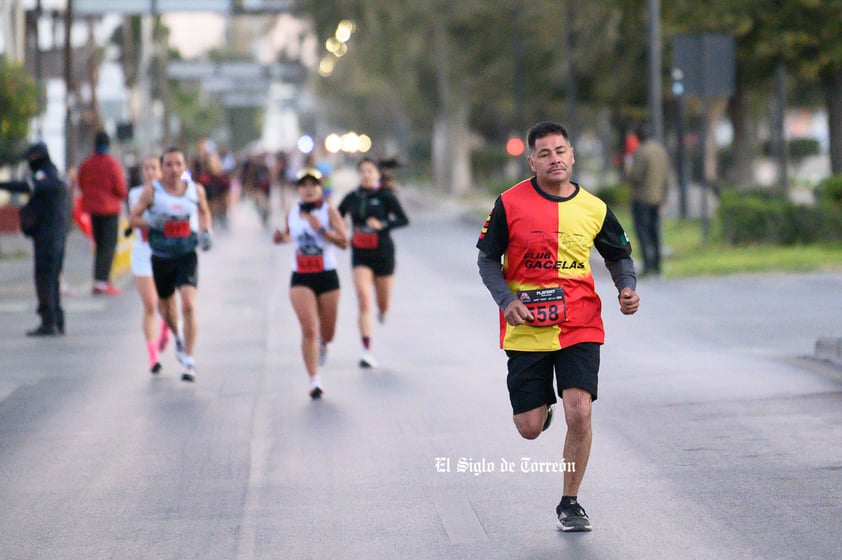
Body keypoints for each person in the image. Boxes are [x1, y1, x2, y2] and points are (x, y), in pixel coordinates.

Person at [476, 121, 640, 532]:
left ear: (572, 156)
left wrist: (626, 288)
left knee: (579, 412)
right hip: (527, 326)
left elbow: (619, 255)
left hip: (579, 322)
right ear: (531, 161)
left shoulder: (595, 207)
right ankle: (541, 410)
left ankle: (570, 502)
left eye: (561, 151)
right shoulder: (509, 204)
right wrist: (507, 299)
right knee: (529, 428)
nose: (555, 159)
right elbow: (486, 261)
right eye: (545, 153)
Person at [129, 147, 213, 382]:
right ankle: (177, 337)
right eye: (168, 164)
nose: (173, 169)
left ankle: (188, 359)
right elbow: (133, 218)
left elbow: (204, 212)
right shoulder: (151, 192)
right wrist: (150, 222)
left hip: (187, 255)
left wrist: (206, 231)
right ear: (162, 167)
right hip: (161, 257)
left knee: (188, 305)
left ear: (184, 166)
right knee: (166, 309)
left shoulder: (196, 190)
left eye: (178, 164)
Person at [272, 168, 348, 399]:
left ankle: (324, 344)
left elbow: (345, 242)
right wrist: (281, 238)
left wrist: (322, 230)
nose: (308, 189)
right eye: (303, 185)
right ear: (298, 190)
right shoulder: (292, 213)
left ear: (320, 188)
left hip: (326, 274)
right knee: (308, 329)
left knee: (328, 331)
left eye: (313, 185)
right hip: (301, 276)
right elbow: (290, 235)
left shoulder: (329, 212)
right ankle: (314, 380)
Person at [338, 157, 409, 368]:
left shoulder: (386, 196)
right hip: (360, 254)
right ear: (358, 174)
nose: (366, 175)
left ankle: (383, 311)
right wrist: (338, 230)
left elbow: (403, 219)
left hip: (383, 254)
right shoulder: (351, 197)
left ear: (377, 174)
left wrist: (383, 224)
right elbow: (336, 216)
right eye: (362, 171)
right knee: (363, 299)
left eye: (370, 171)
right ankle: (366, 350)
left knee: (382, 303)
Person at [0, 142, 69, 336]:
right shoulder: (53, 174)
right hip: (55, 234)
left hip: (49, 236)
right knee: (52, 277)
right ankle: (57, 319)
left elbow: (26, 187)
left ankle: (49, 321)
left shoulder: (47, 175)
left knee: (45, 278)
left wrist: (2, 184)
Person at [127, 155, 171, 374]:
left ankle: (166, 328)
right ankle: (153, 357)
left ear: (161, 171)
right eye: (146, 168)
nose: (150, 172)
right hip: (143, 255)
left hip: (165, 255)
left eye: (154, 168)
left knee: (165, 304)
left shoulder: (171, 194)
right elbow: (134, 220)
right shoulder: (135, 194)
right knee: (150, 305)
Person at [77, 130, 128, 295]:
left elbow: (81, 184)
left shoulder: (86, 164)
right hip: (110, 210)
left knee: (99, 245)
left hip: (92, 210)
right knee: (108, 246)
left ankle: (98, 279)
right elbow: (121, 189)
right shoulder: (112, 164)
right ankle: (102, 281)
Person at [627, 123, 670, 277]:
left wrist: (628, 170)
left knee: (642, 232)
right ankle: (658, 265)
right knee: (655, 231)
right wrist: (664, 197)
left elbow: (635, 176)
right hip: (658, 198)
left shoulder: (640, 153)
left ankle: (647, 265)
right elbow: (666, 176)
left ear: (638, 137)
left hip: (642, 198)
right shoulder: (660, 151)